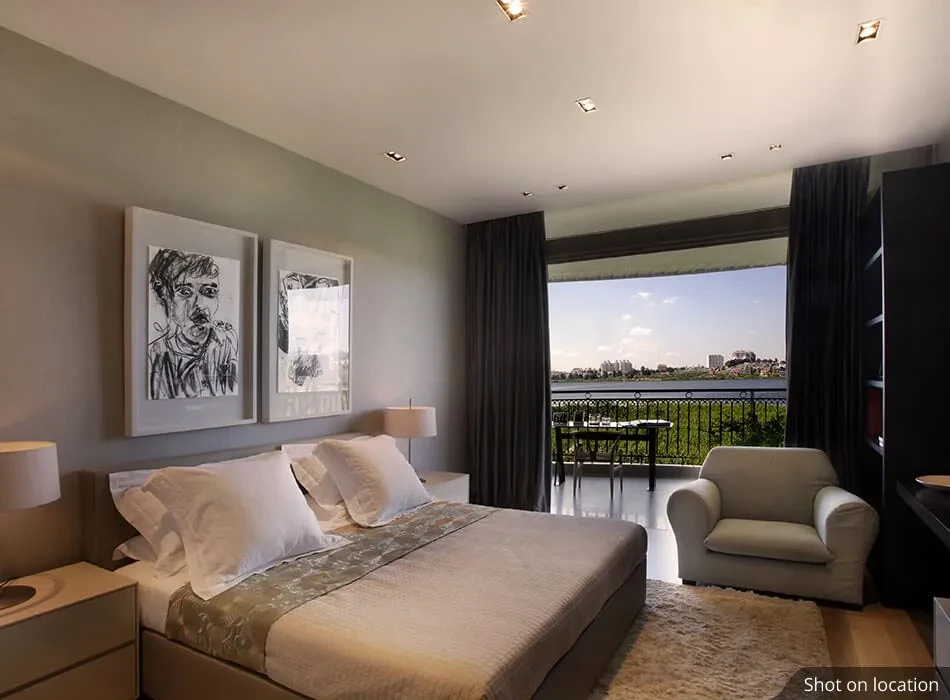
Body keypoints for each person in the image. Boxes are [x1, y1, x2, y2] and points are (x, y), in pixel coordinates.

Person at [147, 248, 238, 399]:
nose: (200, 305)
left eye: (209, 292)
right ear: (165, 296)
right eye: (184, 292)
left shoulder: (227, 346)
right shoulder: (154, 356)